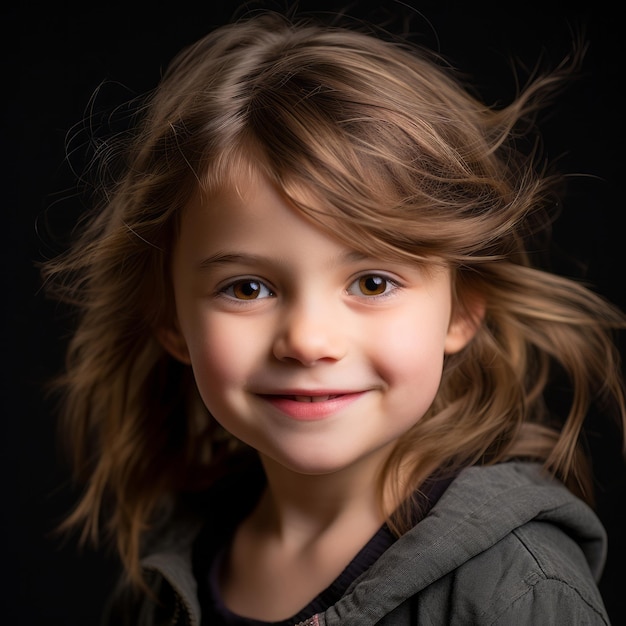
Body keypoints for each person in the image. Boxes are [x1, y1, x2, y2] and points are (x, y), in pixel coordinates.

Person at [40, 7, 626, 625]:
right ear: (171, 319)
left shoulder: (516, 592)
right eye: (246, 288)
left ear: (462, 311)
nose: (308, 341)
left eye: (372, 282)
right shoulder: (165, 578)